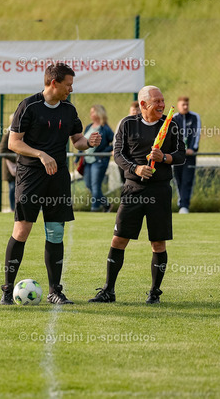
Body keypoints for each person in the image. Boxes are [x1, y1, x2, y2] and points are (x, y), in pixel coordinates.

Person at [0, 63, 101, 305]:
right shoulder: (29, 106)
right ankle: (7, 290)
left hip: (58, 177)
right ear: (53, 83)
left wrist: (89, 142)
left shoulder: (68, 109)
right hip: (30, 176)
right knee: (22, 231)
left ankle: (55, 291)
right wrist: (41, 154)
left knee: (55, 232)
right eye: (68, 85)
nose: (71, 89)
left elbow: (77, 140)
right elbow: (14, 143)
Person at [89, 85, 185, 304]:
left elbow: (181, 155)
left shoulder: (171, 125)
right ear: (143, 104)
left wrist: (164, 158)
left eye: (163, 100)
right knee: (119, 239)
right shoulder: (127, 124)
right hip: (133, 190)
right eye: (157, 101)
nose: (162, 105)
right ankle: (108, 290)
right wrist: (136, 169)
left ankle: (154, 293)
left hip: (160, 190)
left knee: (158, 243)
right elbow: (118, 154)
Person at [81, 104, 114, 211]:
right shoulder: (88, 127)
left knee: (96, 185)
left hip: (99, 161)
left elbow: (114, 143)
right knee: (89, 185)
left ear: (99, 113)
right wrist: (78, 158)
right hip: (87, 160)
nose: (91, 114)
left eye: (93, 112)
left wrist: (104, 152)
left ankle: (94, 208)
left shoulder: (105, 128)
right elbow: (82, 142)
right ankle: (106, 204)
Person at [172, 96, 201, 213]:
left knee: (187, 180)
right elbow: (171, 136)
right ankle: (181, 203)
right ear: (178, 105)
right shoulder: (174, 118)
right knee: (178, 179)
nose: (185, 107)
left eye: (187, 104)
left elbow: (196, 133)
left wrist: (192, 148)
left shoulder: (194, 117)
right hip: (177, 156)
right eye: (183, 105)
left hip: (189, 156)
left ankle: (185, 205)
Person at [0, 114, 16, 212]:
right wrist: (17, 157)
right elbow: (2, 150)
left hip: (22, 165)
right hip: (10, 166)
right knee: (12, 187)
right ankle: (12, 208)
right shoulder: (8, 133)